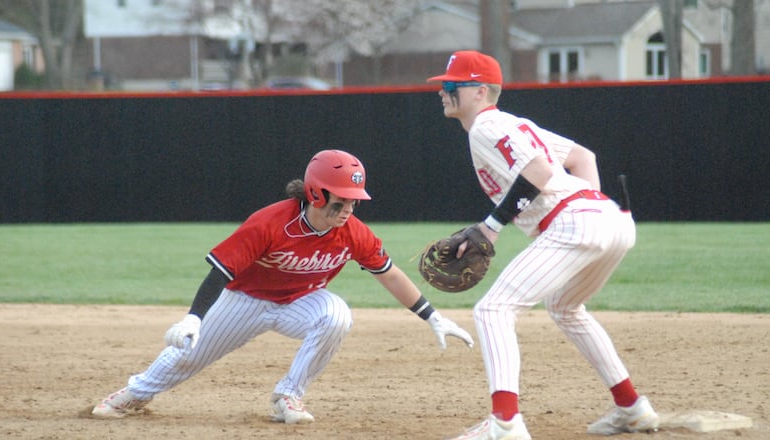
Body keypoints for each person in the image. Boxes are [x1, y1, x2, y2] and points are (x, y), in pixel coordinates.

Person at [90, 149, 474, 423]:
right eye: (341, 201)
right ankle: (135, 394)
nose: (349, 210)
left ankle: (288, 396)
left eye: (355, 202)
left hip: (301, 303)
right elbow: (221, 272)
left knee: (337, 315)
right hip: (245, 299)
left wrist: (432, 316)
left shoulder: (353, 233)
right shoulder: (270, 223)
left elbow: (388, 273)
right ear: (316, 193)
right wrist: (194, 317)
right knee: (189, 355)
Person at [425, 51, 659, 439]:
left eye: (452, 86)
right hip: (612, 219)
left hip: (580, 221)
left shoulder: (486, 126)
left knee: (492, 310)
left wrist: (491, 226)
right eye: (443, 85)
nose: (443, 91)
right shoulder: (513, 124)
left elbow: (539, 172)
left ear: (480, 91)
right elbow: (584, 158)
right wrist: (590, 212)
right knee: (565, 307)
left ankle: (504, 423)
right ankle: (632, 407)